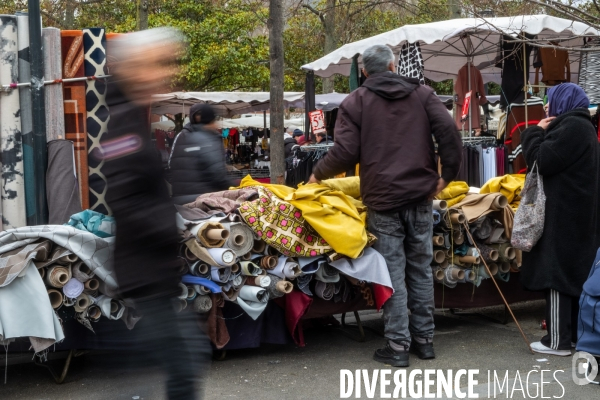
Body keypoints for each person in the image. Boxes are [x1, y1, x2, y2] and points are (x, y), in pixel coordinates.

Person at [308, 44, 462, 367]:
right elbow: (449, 131)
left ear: (364, 72)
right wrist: (447, 174)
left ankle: (398, 345)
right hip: (420, 196)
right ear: (393, 66)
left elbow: (346, 151)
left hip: (383, 199)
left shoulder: (356, 102)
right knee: (420, 268)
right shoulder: (422, 94)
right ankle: (425, 340)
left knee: (393, 273)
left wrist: (317, 174)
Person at [102, 28, 210, 399]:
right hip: (143, 270)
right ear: (133, 69)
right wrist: (168, 228)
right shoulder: (123, 125)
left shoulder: (132, 116)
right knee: (184, 364)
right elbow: (124, 198)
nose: (163, 73)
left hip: (151, 270)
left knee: (178, 362)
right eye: (155, 65)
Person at [520, 83, 600, 356]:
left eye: (550, 100)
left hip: (563, 217)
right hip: (576, 216)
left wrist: (535, 132)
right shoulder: (583, 127)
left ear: (563, 102)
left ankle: (557, 341)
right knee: (573, 277)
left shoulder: (572, 128)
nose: (546, 106)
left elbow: (539, 160)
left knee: (555, 275)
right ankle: (575, 337)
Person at [169, 103, 233, 205]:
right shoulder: (210, 138)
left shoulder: (181, 135)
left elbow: (170, 166)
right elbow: (218, 176)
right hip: (204, 202)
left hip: (179, 201)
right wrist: (236, 187)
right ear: (211, 120)